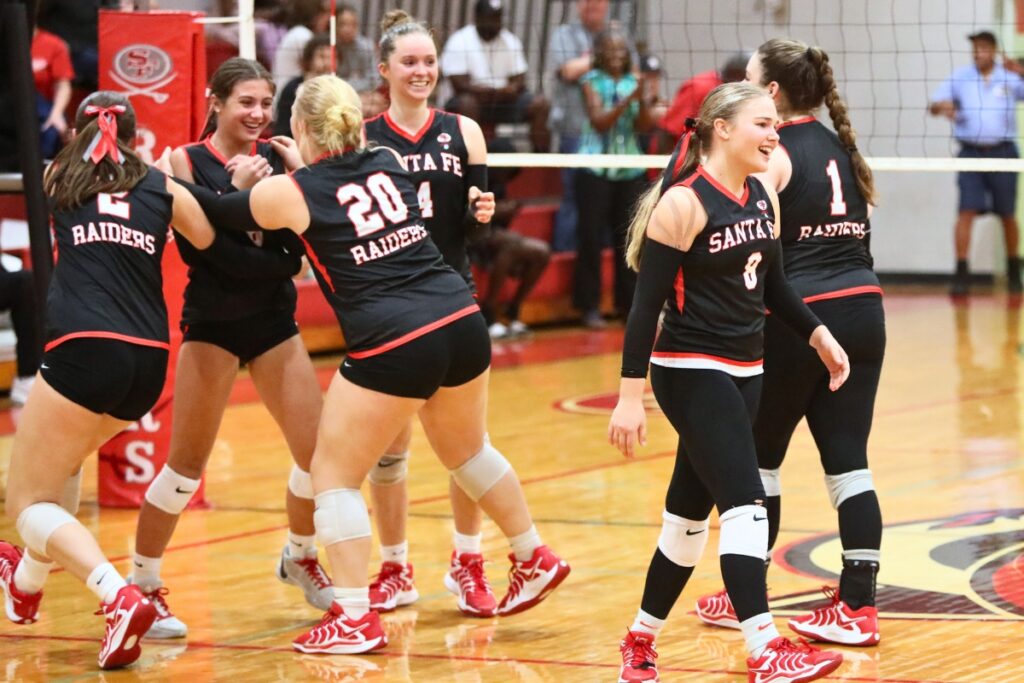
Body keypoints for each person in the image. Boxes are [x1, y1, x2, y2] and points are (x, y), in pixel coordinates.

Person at [185, 73, 571, 654]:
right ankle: (531, 554)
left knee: (332, 473)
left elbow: (219, 214)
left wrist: (199, 181)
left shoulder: (287, 193)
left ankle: (354, 615)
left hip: (394, 338)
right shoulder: (389, 159)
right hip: (461, 318)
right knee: (469, 452)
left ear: (300, 129)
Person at [608, 82, 848, 683]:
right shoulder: (683, 205)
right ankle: (765, 650)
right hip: (690, 370)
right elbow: (644, 310)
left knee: (686, 524)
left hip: (747, 369)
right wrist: (629, 398)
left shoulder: (764, 192)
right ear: (721, 129)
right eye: (762, 125)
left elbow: (775, 288)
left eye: (774, 125)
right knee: (747, 503)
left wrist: (819, 334)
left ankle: (639, 640)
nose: (774, 135)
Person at [0, 92, 215, 670]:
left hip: (83, 347)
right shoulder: (163, 187)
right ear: (135, 135)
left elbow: (63, 171)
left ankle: (117, 596)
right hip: (148, 360)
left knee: (24, 501)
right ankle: (24, 582)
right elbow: (210, 242)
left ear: (78, 134)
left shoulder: (56, 176)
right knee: (60, 467)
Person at [689, 38, 886, 649]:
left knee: (759, 458)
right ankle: (858, 604)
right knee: (849, 460)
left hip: (803, 316)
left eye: (748, 79)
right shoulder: (841, 150)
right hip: (866, 307)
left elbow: (755, 248)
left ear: (770, 93)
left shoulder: (772, 155)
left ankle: (749, 592)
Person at [130, 57, 331, 640]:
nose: (258, 114)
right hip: (213, 326)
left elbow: (293, 254)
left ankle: (299, 553)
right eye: (246, 101)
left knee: (319, 459)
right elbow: (202, 255)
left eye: (265, 102)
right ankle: (142, 588)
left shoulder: (278, 160)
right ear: (215, 102)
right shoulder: (180, 163)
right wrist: (239, 204)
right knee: (183, 469)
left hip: (273, 323)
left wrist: (239, 236)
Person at [362, 10, 503, 618]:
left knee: (467, 447)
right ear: (385, 69)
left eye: (428, 61)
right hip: (389, 306)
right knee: (389, 448)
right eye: (410, 62)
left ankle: (467, 561)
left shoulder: (463, 131)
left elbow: (474, 218)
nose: (422, 71)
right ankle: (394, 568)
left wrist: (483, 209)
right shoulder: (364, 137)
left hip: (451, 294)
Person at [929, 30, 1024, 295]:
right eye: (975, 48)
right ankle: (962, 274)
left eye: (982, 47)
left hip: (1004, 153)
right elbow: (934, 105)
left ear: (993, 50)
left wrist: (1021, 69)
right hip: (971, 152)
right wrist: (943, 107)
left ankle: (1014, 272)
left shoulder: (1009, 76)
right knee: (966, 212)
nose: (977, 53)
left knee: (1007, 214)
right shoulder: (961, 77)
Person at [573, 27, 652, 328]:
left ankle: (628, 306)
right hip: (595, 167)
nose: (616, 55)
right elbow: (600, 122)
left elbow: (644, 127)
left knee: (630, 239)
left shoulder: (635, 82)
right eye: (610, 49)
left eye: (621, 50)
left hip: (630, 166)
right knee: (591, 237)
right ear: (599, 53)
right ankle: (588, 307)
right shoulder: (591, 81)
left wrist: (642, 99)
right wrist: (628, 98)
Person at [545, 0, 634, 251]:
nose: (590, 5)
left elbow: (633, 70)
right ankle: (565, 255)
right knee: (574, 198)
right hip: (576, 129)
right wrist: (610, 53)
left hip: (615, 133)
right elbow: (569, 70)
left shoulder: (620, 32)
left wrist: (599, 56)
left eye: (596, 1)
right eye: (585, 1)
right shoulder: (565, 34)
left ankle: (601, 261)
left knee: (610, 203)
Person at [440, 0, 551, 152]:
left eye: (498, 17)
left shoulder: (510, 41)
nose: (495, 22)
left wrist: (509, 90)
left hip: (502, 102)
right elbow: (459, 85)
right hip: (470, 102)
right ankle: (471, 157)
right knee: (467, 102)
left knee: (540, 104)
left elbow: (519, 80)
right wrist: (490, 91)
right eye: (491, 17)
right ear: (478, 17)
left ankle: (541, 162)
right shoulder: (460, 40)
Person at [471, 138, 551, 339]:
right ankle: (489, 313)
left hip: (496, 238)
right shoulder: (474, 179)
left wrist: (508, 211)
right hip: (472, 239)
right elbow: (469, 216)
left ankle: (513, 309)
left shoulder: (501, 184)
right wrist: (497, 211)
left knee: (541, 251)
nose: (506, 174)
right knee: (511, 243)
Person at [655, 53, 748, 153]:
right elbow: (667, 131)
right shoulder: (700, 88)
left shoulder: (743, 94)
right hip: (679, 161)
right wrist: (666, 165)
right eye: (749, 78)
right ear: (739, 76)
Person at [274, 34, 334, 137]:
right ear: (309, 59)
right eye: (322, 56)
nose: (327, 62)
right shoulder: (292, 89)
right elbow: (282, 131)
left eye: (332, 57)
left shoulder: (339, 88)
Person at [31, 23, 74, 158]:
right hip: (8, 106)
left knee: (53, 129)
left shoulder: (53, 44)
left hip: (41, 110)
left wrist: (56, 113)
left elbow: (63, 85)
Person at [271, 0, 330, 88]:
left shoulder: (298, 32)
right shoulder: (303, 36)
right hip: (289, 91)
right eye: (323, 14)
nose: (327, 19)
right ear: (314, 15)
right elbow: (315, 70)